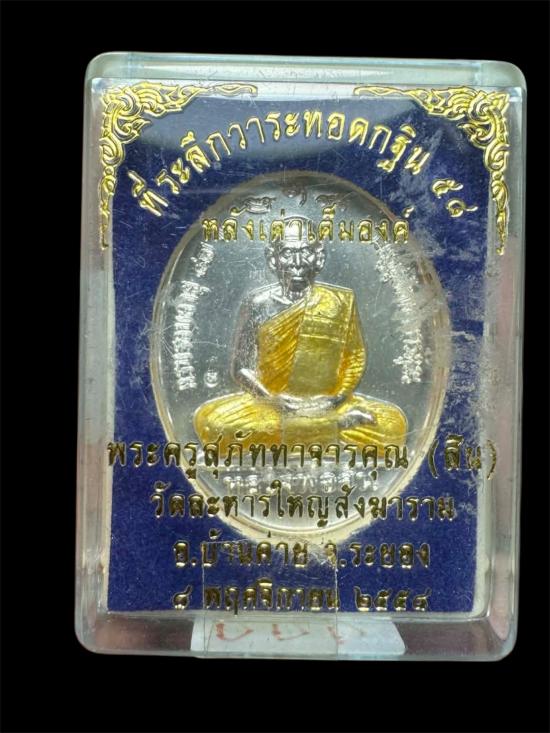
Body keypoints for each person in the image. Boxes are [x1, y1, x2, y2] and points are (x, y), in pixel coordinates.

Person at [194, 216, 407, 454]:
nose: (297, 263)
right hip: (271, 406)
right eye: (287, 253)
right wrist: (273, 399)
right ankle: (334, 427)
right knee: (214, 425)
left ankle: (311, 428)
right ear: (273, 259)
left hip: (329, 404)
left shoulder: (340, 302)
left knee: (393, 425)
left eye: (305, 252)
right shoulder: (257, 304)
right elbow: (241, 368)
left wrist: (335, 399)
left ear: (319, 258)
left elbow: (355, 358)